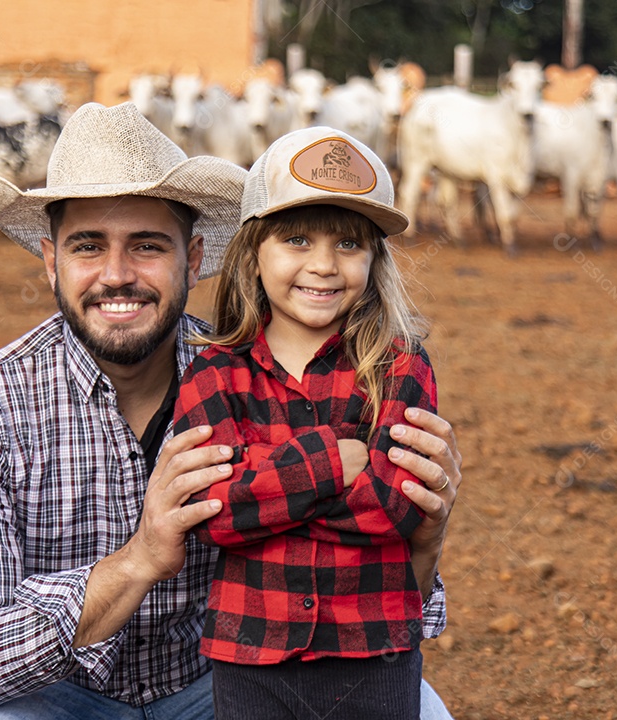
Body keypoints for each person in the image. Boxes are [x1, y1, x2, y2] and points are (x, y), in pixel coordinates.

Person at [0, 102, 461, 719]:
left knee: (425, 711)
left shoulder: (238, 370)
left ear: (194, 258)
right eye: (88, 246)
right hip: (59, 698)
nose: (117, 275)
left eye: (147, 246)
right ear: (50, 261)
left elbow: (409, 599)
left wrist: (426, 543)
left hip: (224, 679)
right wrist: (139, 559)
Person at [173, 126, 440, 719]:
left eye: (349, 245)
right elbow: (214, 514)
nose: (323, 266)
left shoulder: (398, 365)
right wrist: (332, 463)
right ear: (253, 252)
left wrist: (264, 491)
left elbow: (395, 506)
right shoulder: (215, 372)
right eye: (296, 239)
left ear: (374, 258)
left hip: (376, 653)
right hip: (250, 655)